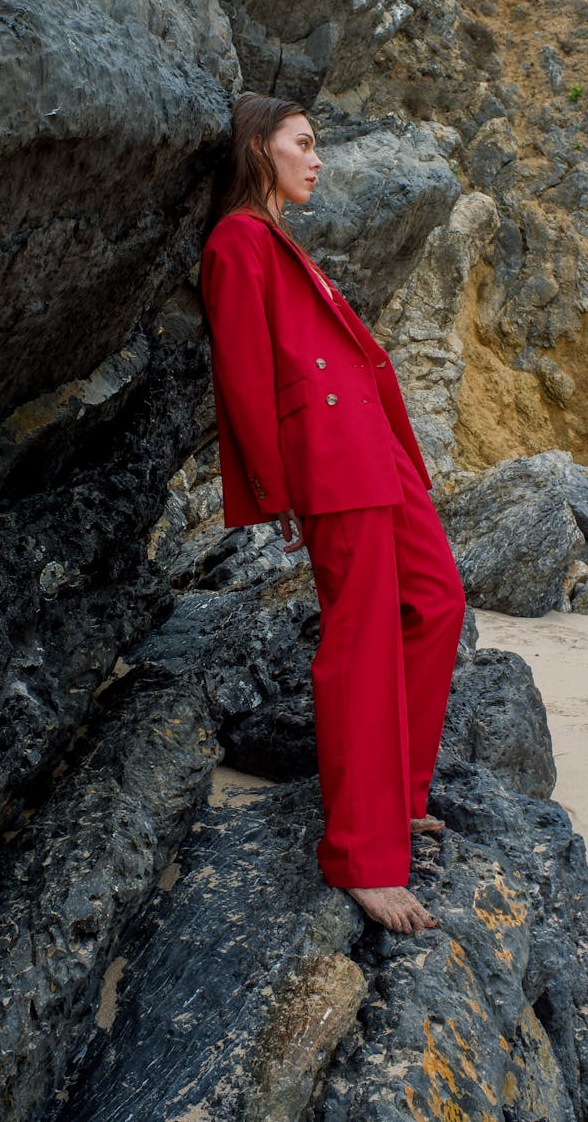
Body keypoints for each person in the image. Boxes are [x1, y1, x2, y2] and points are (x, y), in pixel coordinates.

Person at [200, 92, 466, 934]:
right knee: (361, 640)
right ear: (258, 147)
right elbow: (243, 372)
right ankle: (361, 851)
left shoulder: (281, 239)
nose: (317, 159)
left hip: (376, 453)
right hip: (331, 463)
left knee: (439, 601)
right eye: (303, 143)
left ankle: (404, 794)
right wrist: (276, 487)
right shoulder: (237, 239)